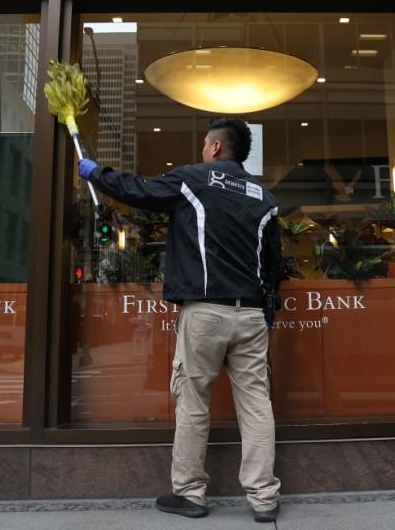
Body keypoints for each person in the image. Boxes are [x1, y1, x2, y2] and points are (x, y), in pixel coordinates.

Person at [78, 117, 282, 523]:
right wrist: (267, 312)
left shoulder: (196, 180)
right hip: (253, 313)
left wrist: (95, 172)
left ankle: (190, 494)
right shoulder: (264, 196)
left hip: (205, 312)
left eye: (206, 144)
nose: (204, 151)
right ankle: (263, 498)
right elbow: (274, 265)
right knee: (257, 403)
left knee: (192, 402)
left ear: (216, 148)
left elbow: (139, 190)